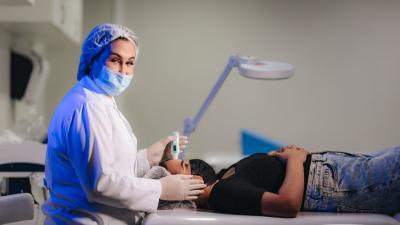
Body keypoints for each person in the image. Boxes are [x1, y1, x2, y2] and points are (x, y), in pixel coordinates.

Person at [41, 24, 206, 225]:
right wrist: (161, 189)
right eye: (115, 60)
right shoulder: (87, 107)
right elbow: (100, 184)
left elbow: (110, 167)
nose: (123, 71)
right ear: (93, 60)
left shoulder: (102, 100)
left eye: (129, 63)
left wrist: (149, 157)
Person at [160, 144, 400, 217]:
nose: (193, 164)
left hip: (333, 167)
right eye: (186, 166)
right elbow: (287, 205)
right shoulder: (223, 193)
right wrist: (294, 160)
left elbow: (263, 174)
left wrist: (279, 155)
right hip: (334, 183)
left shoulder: (223, 177)